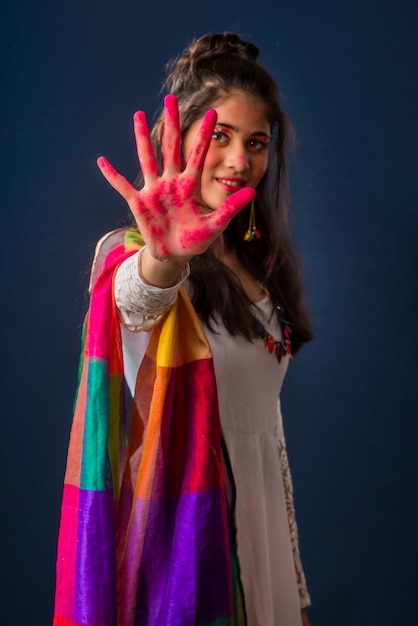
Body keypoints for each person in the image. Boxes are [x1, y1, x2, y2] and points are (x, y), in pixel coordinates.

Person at [53, 33, 314, 626]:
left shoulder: (258, 269)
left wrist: (293, 590)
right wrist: (165, 258)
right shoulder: (132, 257)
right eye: (219, 136)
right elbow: (138, 302)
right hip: (184, 542)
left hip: (261, 536)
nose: (239, 160)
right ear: (180, 138)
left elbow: (267, 443)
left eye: (257, 143)